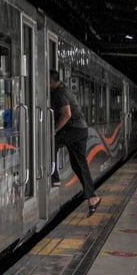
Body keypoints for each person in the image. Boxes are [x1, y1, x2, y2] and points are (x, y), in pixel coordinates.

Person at [49, 70, 100, 214]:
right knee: (79, 164)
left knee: (52, 143)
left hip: (74, 130)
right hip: (80, 129)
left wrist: (55, 130)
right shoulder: (63, 89)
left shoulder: (59, 93)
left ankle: (54, 177)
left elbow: (67, 114)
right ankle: (92, 197)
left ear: (50, 81)